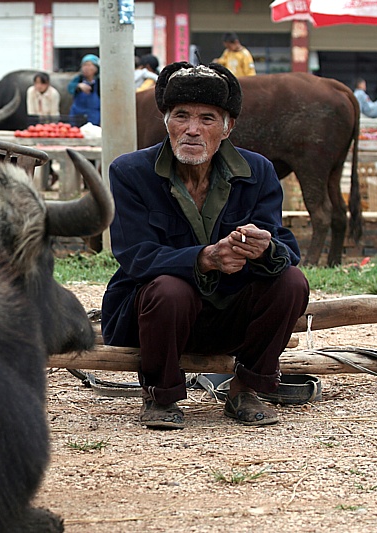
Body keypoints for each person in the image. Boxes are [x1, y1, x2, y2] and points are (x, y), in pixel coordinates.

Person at [100, 62, 310, 430]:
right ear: (166, 121)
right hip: (156, 320)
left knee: (291, 281)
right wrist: (206, 258)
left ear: (228, 128)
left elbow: (284, 245)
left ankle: (246, 388)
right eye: (181, 116)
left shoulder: (257, 171)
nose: (192, 130)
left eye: (208, 119)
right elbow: (135, 256)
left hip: (228, 319)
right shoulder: (130, 172)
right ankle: (160, 394)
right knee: (168, 289)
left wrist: (265, 249)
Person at [67, 54, 101, 126]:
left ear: (96, 68)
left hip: (93, 116)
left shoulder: (99, 81)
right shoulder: (78, 79)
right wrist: (78, 86)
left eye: (89, 65)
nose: (86, 68)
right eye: (84, 65)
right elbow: (70, 88)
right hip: (77, 115)